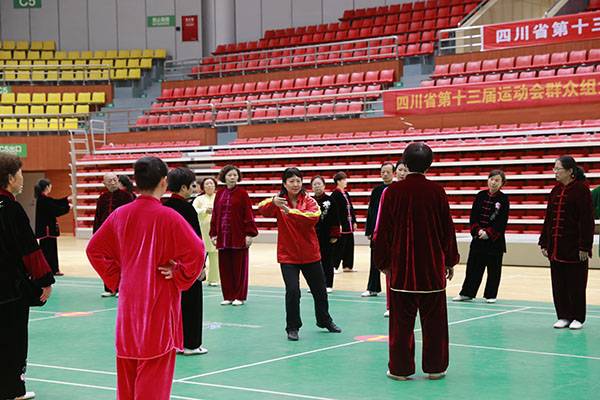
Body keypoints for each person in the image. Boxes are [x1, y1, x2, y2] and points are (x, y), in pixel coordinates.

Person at [86, 157, 205, 400]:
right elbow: (197, 251)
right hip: (159, 308)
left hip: (129, 310)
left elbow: (94, 250)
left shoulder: (120, 214)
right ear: (163, 182)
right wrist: (179, 273)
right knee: (154, 380)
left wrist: (118, 278)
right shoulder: (169, 217)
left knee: (127, 379)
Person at [374, 142, 459, 381]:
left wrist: (383, 262)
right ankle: (435, 367)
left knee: (400, 325)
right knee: (435, 324)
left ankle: (400, 369)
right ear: (429, 165)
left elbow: (383, 232)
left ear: (405, 162)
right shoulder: (437, 191)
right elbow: (447, 229)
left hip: (401, 271)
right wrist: (449, 260)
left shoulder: (392, 192)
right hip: (432, 270)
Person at [258, 167, 342, 341]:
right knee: (292, 291)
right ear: (284, 183)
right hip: (288, 256)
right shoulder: (279, 201)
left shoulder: (310, 201)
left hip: (310, 254)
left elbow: (313, 217)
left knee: (320, 291)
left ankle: (324, 320)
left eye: (298, 181)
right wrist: (273, 202)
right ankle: (292, 327)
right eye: (291, 181)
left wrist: (291, 212)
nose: (295, 184)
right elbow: (261, 209)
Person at [0, 152, 54, 400]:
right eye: (20, 173)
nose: (22, 178)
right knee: (14, 339)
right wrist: (45, 281)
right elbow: (30, 250)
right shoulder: (11, 209)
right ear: (10, 178)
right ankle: (13, 389)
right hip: (10, 289)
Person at [539, 156, 594, 330]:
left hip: (574, 247)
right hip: (556, 247)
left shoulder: (582, 190)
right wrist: (544, 242)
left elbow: (587, 220)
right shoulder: (555, 190)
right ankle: (563, 315)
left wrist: (585, 246)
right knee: (558, 284)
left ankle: (578, 317)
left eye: (558, 169)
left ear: (570, 171)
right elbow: (548, 219)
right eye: (554, 168)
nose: (555, 172)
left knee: (576, 284)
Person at [164, 167, 207, 356]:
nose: (194, 188)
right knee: (192, 305)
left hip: (167, 265)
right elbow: (196, 241)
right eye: (192, 185)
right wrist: (201, 267)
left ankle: (174, 343)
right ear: (183, 187)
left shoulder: (164, 207)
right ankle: (191, 344)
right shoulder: (187, 209)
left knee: (173, 306)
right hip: (187, 265)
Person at [454, 170, 510, 304]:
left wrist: (489, 233)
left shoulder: (504, 199)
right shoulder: (480, 196)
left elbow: (502, 221)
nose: (493, 182)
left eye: (497, 180)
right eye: (492, 179)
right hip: (478, 239)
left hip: (495, 242)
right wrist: (478, 230)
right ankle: (467, 293)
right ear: (488, 180)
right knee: (473, 268)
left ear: (502, 183)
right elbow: (473, 217)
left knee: (494, 270)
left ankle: (491, 295)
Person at [209, 165, 258, 306]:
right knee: (225, 268)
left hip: (239, 236)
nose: (232, 177)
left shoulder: (243, 194)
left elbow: (248, 214)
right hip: (223, 238)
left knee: (239, 268)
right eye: (229, 175)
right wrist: (213, 234)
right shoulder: (219, 194)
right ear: (224, 177)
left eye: (235, 175)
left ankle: (239, 296)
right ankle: (228, 296)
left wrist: (249, 234)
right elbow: (215, 215)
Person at [93, 172, 134, 297]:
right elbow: (97, 217)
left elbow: (132, 216)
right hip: (106, 236)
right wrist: (96, 234)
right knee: (107, 263)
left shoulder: (127, 196)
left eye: (115, 180)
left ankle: (122, 288)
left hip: (122, 235)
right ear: (104, 183)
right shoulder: (102, 198)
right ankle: (110, 288)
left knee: (122, 262)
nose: (113, 182)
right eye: (109, 181)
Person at [363, 162, 395, 298]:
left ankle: (394, 288)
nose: (385, 174)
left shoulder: (396, 189)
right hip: (377, 231)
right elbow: (371, 211)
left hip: (392, 232)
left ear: (393, 173)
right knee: (374, 260)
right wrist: (369, 231)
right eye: (383, 172)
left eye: (388, 172)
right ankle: (373, 288)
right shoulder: (376, 191)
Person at [382, 161, 409, 318]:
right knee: (391, 275)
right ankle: (390, 305)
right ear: (395, 172)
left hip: (411, 242)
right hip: (393, 242)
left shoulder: (414, 192)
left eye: (405, 170)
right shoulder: (388, 192)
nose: (402, 173)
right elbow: (382, 219)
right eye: (400, 170)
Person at [34, 178, 70, 276]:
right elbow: (56, 210)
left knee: (48, 250)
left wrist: (67, 199)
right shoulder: (44, 200)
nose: (51, 187)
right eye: (50, 186)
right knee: (49, 251)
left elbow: (55, 202)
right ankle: (51, 270)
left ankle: (50, 269)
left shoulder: (43, 199)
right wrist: (67, 208)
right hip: (47, 231)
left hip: (47, 230)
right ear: (47, 187)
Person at [311, 175, 340, 292]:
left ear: (324, 186)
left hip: (327, 236)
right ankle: (316, 285)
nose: (317, 186)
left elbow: (336, 218)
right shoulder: (310, 201)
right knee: (314, 262)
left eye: (319, 184)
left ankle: (328, 284)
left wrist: (335, 235)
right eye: (314, 184)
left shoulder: (330, 200)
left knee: (327, 261)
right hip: (313, 236)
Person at [193, 177, 220, 286]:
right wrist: (204, 210)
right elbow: (194, 210)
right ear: (203, 187)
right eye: (207, 184)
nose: (209, 186)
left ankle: (213, 279)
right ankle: (197, 276)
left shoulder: (219, 197)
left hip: (216, 231)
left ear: (215, 186)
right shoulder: (199, 199)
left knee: (215, 256)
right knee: (200, 255)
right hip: (202, 231)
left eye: (211, 183)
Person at [330, 171, 357, 272]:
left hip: (349, 225)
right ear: (338, 181)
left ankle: (347, 266)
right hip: (342, 225)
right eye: (344, 179)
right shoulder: (335, 195)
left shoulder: (346, 193)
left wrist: (354, 221)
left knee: (349, 246)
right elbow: (335, 212)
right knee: (339, 246)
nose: (346, 181)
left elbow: (351, 208)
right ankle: (334, 266)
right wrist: (338, 224)